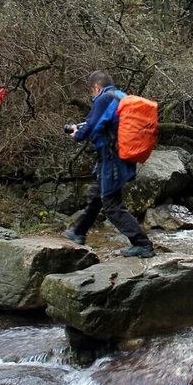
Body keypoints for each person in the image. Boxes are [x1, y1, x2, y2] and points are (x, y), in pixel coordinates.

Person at [64, 70, 154, 257]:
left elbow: (93, 126)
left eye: (92, 92)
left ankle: (142, 244)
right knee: (96, 194)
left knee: (112, 204)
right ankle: (79, 232)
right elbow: (106, 123)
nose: (92, 96)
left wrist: (77, 134)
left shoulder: (105, 99)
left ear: (97, 87)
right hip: (118, 157)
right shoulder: (121, 96)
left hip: (112, 159)